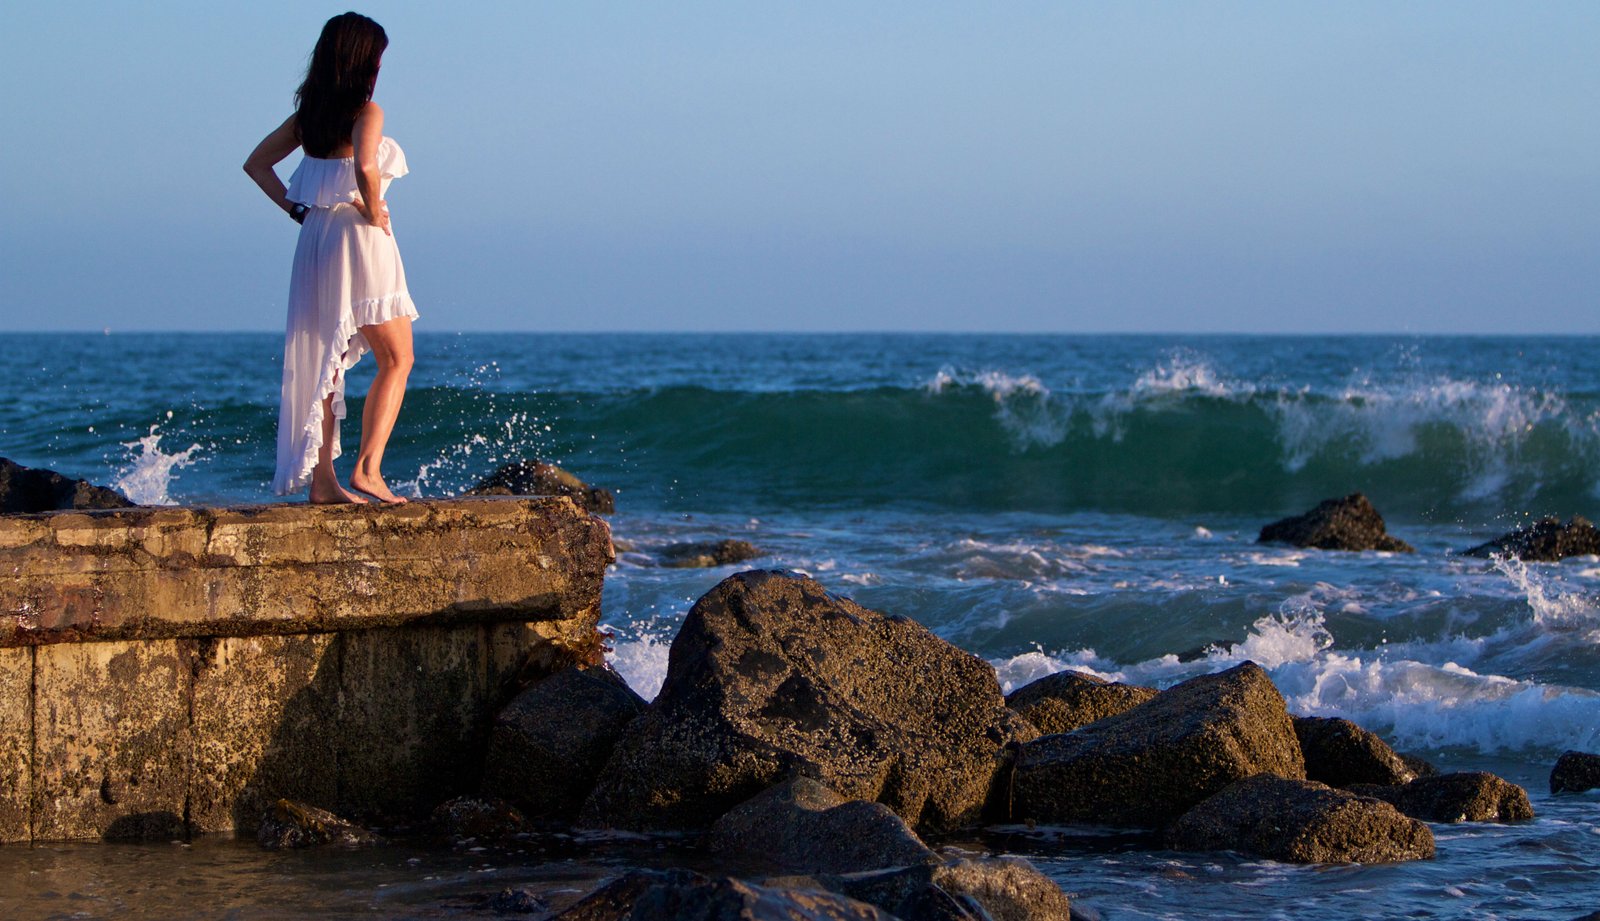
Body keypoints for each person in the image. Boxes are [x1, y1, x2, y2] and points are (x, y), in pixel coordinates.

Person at [244, 12, 416, 504]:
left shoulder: (308, 118)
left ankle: (322, 483)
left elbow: (255, 164)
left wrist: (297, 208)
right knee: (397, 357)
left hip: (316, 236)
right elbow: (365, 165)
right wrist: (375, 208)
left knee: (327, 361)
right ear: (365, 61)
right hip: (359, 236)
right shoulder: (367, 111)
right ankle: (367, 470)